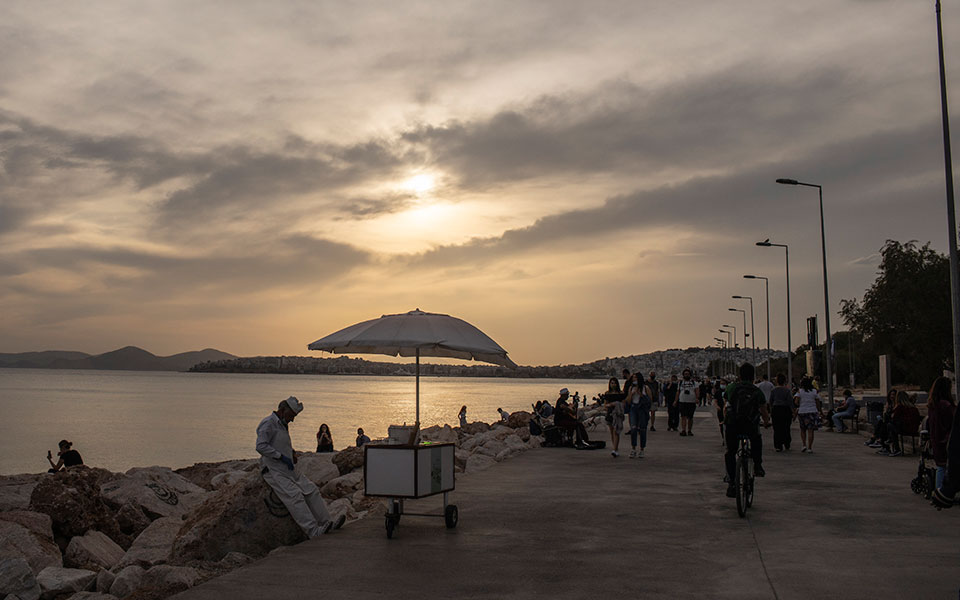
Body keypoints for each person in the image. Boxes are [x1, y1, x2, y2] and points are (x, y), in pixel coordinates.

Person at [257, 396, 344, 537]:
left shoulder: (282, 424)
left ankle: (327, 522)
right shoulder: (268, 423)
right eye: (292, 416)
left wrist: (290, 454)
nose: (292, 419)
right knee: (295, 497)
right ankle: (313, 531)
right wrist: (280, 456)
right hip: (273, 469)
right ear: (283, 410)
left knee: (311, 490)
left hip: (288, 467)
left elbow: (280, 443)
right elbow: (261, 446)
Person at [723, 363, 770, 497]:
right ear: (753, 376)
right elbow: (763, 410)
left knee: (730, 452)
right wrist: (766, 422)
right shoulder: (757, 391)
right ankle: (758, 466)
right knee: (756, 440)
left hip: (733, 425)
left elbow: (726, 405)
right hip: (750, 426)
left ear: (739, 375)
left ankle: (731, 482)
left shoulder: (732, 387)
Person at [926, 377, 955, 489]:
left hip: (936, 439)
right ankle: (943, 491)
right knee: (946, 466)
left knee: (941, 467)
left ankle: (939, 491)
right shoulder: (946, 405)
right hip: (947, 440)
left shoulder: (933, 405)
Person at [877, 391, 921, 457]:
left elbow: (894, 417)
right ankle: (886, 441)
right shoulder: (913, 407)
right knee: (887, 425)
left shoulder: (900, 407)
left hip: (905, 429)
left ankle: (893, 447)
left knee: (888, 425)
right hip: (914, 429)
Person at [624, 372, 652, 458]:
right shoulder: (631, 388)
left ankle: (642, 449)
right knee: (633, 429)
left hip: (642, 409)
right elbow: (628, 401)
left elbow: (650, 400)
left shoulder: (645, 388)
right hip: (633, 408)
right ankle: (633, 448)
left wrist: (641, 395)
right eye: (633, 378)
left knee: (643, 429)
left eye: (635, 378)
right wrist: (631, 394)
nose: (634, 379)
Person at [794, 377, 823, 453]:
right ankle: (810, 447)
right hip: (812, 412)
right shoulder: (814, 391)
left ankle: (804, 445)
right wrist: (820, 411)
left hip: (802, 412)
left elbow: (796, 402)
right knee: (810, 430)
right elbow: (818, 403)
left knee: (803, 430)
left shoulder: (799, 391)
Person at [769, 373, 794, 452]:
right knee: (786, 427)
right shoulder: (787, 390)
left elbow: (771, 401)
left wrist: (771, 411)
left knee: (777, 428)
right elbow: (790, 401)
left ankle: (778, 445)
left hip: (776, 409)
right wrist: (793, 411)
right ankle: (787, 443)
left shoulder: (773, 390)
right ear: (784, 381)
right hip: (785, 410)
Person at [602, 378, 625, 457]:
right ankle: (615, 448)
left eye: (614, 383)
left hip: (617, 414)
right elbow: (605, 405)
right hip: (610, 413)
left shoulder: (621, 393)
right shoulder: (607, 393)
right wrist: (611, 405)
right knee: (612, 431)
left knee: (616, 431)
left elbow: (623, 404)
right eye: (612, 383)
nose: (613, 385)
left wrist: (617, 404)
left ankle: (615, 449)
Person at [676, 368, 698, 436]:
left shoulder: (694, 383)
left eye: (688, 374)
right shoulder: (680, 383)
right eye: (685, 374)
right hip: (682, 401)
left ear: (690, 375)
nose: (686, 375)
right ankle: (683, 430)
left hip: (691, 402)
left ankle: (689, 430)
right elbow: (678, 392)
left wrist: (697, 398)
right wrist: (675, 401)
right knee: (683, 416)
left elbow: (697, 391)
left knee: (690, 417)